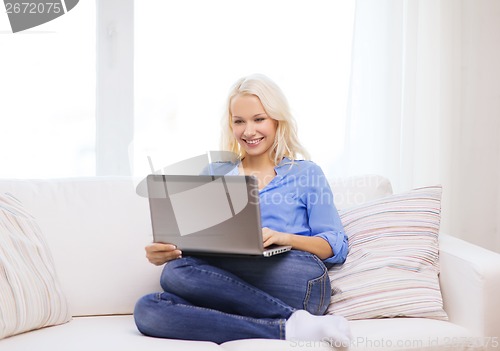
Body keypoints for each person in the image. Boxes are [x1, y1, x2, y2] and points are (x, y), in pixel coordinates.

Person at [134, 74, 352, 344]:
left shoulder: (306, 173)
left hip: (296, 276)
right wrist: (165, 251)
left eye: (259, 119)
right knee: (149, 308)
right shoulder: (214, 174)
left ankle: (291, 317)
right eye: (239, 121)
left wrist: (285, 238)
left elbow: (336, 246)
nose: (249, 131)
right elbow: (195, 241)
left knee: (176, 274)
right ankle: (291, 326)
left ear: (277, 120)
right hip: (228, 285)